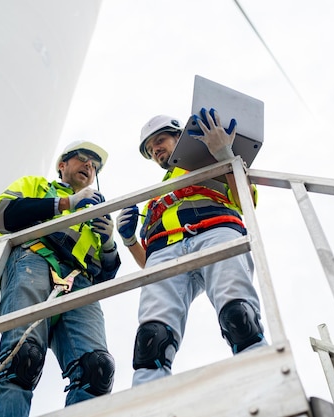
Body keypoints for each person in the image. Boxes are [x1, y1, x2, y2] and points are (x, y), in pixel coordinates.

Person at [116, 108, 267, 386]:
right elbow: (148, 264)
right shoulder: (155, 199)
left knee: (239, 316)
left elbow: (247, 201)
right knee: (153, 337)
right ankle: (148, 400)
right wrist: (129, 241)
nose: (155, 150)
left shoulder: (211, 163)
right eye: (150, 149)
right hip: (166, 252)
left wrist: (225, 156)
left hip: (216, 232)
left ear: (180, 136)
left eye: (160, 140)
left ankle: (265, 381)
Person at [0, 140, 120, 417]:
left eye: (93, 165)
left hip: (78, 281)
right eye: (82, 159)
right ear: (62, 165)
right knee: (22, 359)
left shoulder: (93, 215)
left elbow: (105, 276)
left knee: (97, 370)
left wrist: (109, 244)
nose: (88, 167)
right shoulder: (37, 187)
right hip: (34, 260)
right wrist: (63, 204)